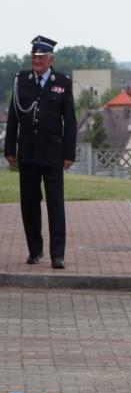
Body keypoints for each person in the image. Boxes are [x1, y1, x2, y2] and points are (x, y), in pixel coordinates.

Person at [4, 36, 76, 269]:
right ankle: (35, 250)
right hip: (28, 153)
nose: (36, 60)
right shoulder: (21, 81)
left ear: (50, 59)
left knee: (55, 205)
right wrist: (10, 149)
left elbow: (70, 121)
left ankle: (57, 255)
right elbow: (14, 117)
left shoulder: (62, 82)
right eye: (34, 56)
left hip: (53, 153)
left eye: (41, 57)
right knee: (29, 204)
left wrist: (69, 153)